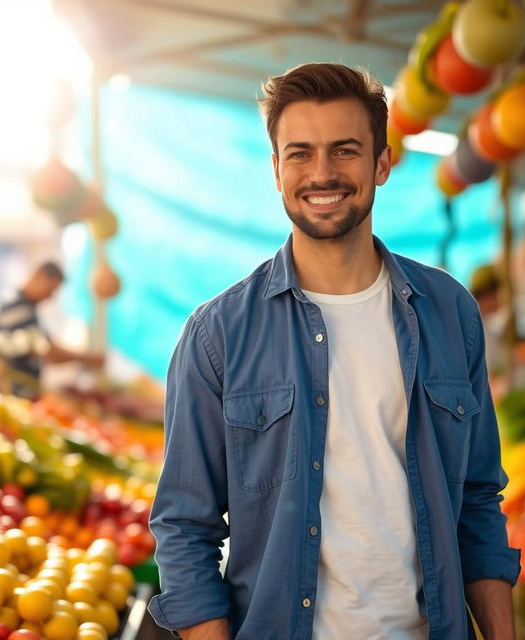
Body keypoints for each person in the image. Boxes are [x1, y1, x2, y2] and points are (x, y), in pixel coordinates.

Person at [147, 63, 520, 640]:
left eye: (345, 151)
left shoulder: (450, 313)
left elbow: (476, 500)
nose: (321, 173)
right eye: (299, 153)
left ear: (382, 163)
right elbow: (184, 525)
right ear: (275, 169)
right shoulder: (217, 335)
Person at [0, 261, 104, 397]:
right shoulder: (17, 306)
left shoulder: (27, 307)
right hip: (15, 393)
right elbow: (48, 351)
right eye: (51, 289)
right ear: (38, 277)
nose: (50, 296)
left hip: (24, 391)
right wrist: (89, 358)